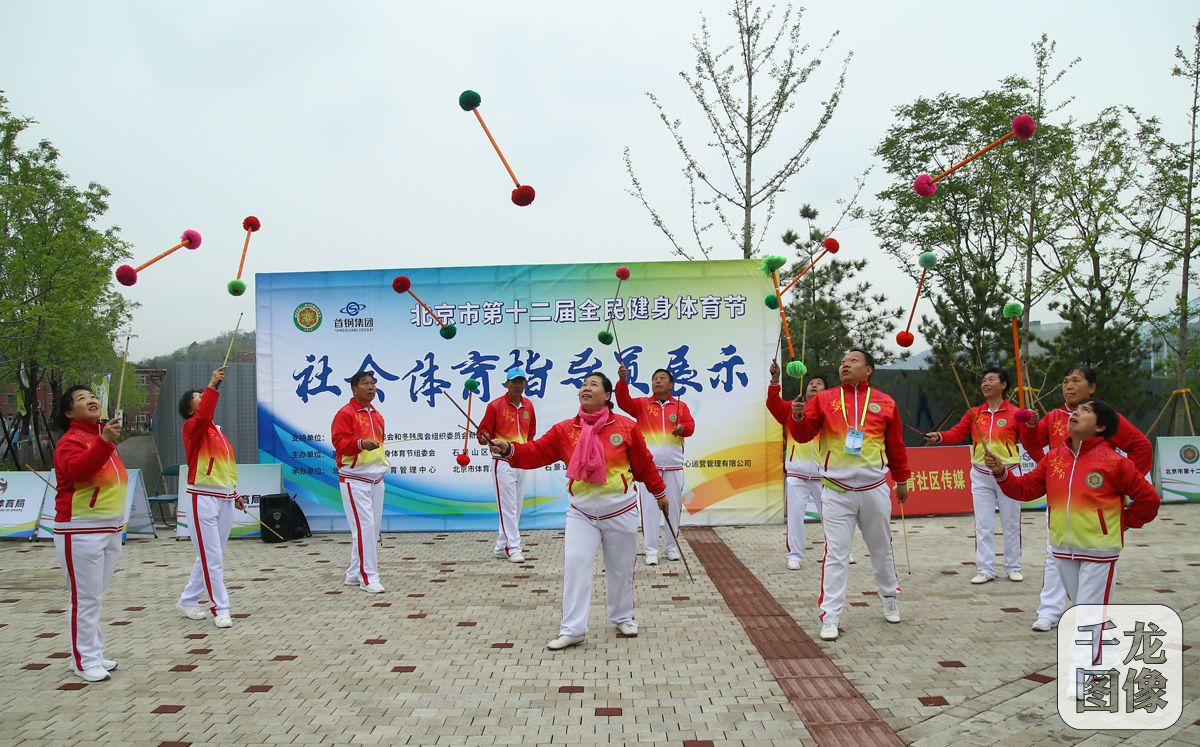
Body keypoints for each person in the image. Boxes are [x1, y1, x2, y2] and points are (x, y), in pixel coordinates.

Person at [489, 372, 667, 651]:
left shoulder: (626, 427)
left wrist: (660, 494)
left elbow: (644, 466)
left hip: (620, 510)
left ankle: (622, 616)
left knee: (621, 570)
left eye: (593, 384)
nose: (586, 388)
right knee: (576, 565)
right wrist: (510, 449)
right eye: (583, 384)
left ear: (607, 396)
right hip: (581, 513)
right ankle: (572, 629)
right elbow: (535, 452)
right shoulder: (565, 430)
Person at [985, 398, 1159, 608]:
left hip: (1099, 549)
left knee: (1089, 614)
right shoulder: (1054, 458)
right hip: (1063, 547)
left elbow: (1149, 500)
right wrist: (1001, 472)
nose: (1075, 413)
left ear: (1100, 426)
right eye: (1075, 410)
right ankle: (1103, 639)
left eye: (1085, 410)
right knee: (1082, 608)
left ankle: (1094, 640)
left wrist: (1123, 521)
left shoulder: (1116, 462)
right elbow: (1024, 489)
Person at [1017, 364, 1152, 632]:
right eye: (1066, 381)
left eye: (1076, 381)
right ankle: (1050, 611)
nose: (1068, 385)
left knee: (1094, 568)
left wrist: (1118, 487)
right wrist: (1033, 431)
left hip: (1095, 506)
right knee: (1054, 555)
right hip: (1061, 499)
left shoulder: (1103, 417)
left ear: (1091, 388)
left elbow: (1140, 446)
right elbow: (1035, 448)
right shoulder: (1055, 416)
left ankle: (1091, 633)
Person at [787, 349, 910, 641]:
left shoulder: (885, 402)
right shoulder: (824, 400)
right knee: (836, 555)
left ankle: (890, 596)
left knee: (881, 549)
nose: (845, 364)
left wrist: (902, 479)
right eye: (842, 361)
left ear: (868, 370)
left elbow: (896, 445)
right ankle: (830, 615)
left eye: (853, 361)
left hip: (873, 489)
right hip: (836, 490)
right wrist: (798, 418)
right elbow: (803, 435)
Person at [52, 386, 127, 682]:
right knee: (85, 598)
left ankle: (91, 652)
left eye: (92, 397)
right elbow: (78, 471)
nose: (91, 401)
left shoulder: (100, 438)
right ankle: (83, 660)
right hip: (79, 530)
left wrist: (104, 441)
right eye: (81, 399)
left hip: (109, 529)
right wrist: (104, 442)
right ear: (69, 412)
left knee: (93, 596)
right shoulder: (70, 441)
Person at [925, 367, 1024, 585]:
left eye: (991, 380)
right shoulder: (974, 413)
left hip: (1008, 473)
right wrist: (940, 436)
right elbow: (958, 433)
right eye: (984, 380)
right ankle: (985, 568)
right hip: (980, 474)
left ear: (1004, 385)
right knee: (983, 523)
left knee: (1011, 522)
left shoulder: (1015, 413)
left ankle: (1013, 566)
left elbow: (1031, 440)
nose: (985, 384)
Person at [176, 367, 245, 628]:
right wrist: (212, 384)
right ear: (191, 408)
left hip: (224, 498)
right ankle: (221, 607)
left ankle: (188, 599)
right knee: (212, 557)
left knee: (210, 555)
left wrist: (234, 493)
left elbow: (223, 466)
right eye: (196, 395)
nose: (200, 396)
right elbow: (205, 413)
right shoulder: (193, 427)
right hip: (202, 498)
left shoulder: (216, 431)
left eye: (200, 393)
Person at [615, 365, 694, 566]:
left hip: (674, 467)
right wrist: (623, 381)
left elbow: (691, 426)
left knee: (673, 509)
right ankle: (651, 550)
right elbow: (623, 403)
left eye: (662, 378)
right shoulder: (642, 404)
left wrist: (682, 428)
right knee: (649, 510)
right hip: (649, 468)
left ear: (671, 384)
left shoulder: (680, 406)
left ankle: (671, 547)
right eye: (655, 378)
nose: (657, 381)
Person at [766, 362, 828, 569]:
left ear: (826, 391)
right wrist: (775, 380)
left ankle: (838, 551)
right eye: (811, 383)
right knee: (795, 517)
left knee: (833, 517)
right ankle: (795, 555)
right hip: (796, 474)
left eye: (819, 384)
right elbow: (773, 403)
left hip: (825, 475)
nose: (814, 386)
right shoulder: (792, 408)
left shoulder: (831, 411)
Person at [331, 371, 388, 593]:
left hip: (377, 479)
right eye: (365, 383)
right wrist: (361, 444)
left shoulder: (377, 415)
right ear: (354, 388)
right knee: (364, 528)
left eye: (373, 383)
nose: (371, 386)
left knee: (371, 530)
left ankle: (354, 573)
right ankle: (369, 577)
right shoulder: (345, 414)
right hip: (355, 480)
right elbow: (339, 443)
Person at [477, 366, 537, 563]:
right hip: (502, 463)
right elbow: (481, 435)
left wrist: (526, 450)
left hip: (522, 460)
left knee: (515, 508)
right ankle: (514, 547)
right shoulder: (495, 406)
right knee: (508, 507)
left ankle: (501, 546)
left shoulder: (528, 405)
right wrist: (488, 441)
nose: (518, 385)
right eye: (514, 382)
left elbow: (531, 433)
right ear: (507, 384)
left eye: (521, 381)